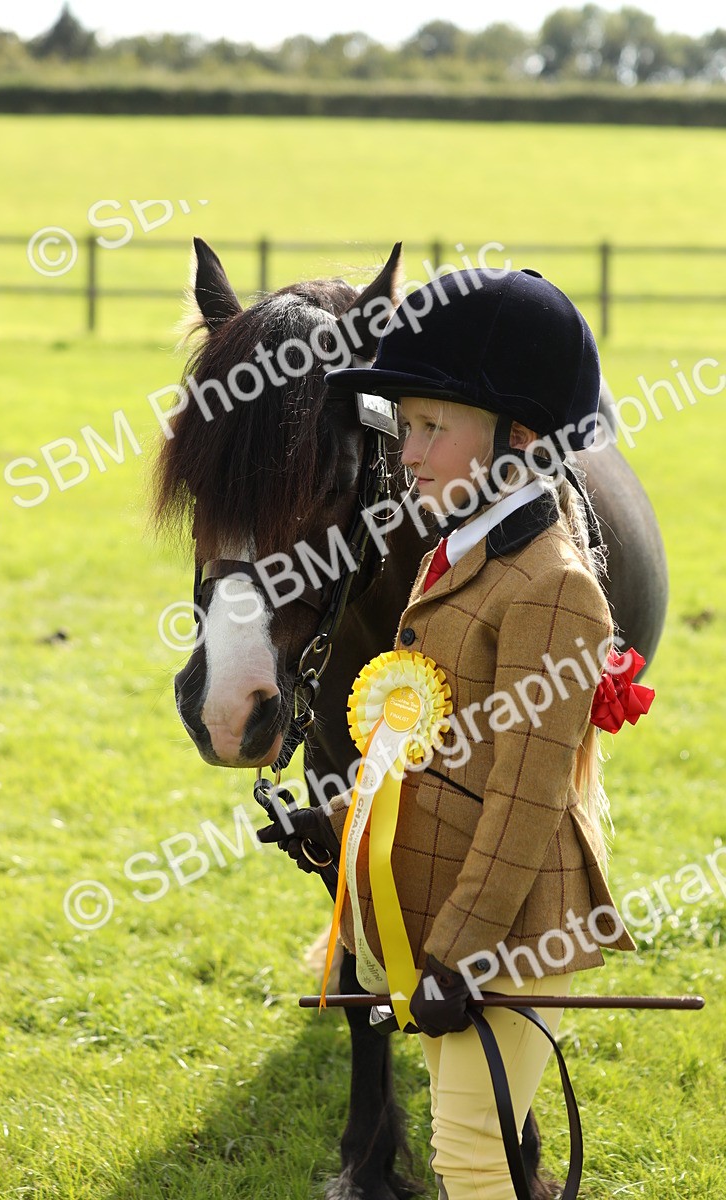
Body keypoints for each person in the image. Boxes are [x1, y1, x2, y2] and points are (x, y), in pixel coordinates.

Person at [259, 267, 641, 1200]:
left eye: (434, 428)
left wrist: (460, 957)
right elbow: (425, 758)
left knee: (472, 1161)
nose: (410, 456)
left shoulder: (554, 588)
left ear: (518, 441)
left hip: (504, 935)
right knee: (466, 1148)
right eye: (407, 427)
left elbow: (522, 801)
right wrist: (343, 830)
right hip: (441, 924)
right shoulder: (453, 553)